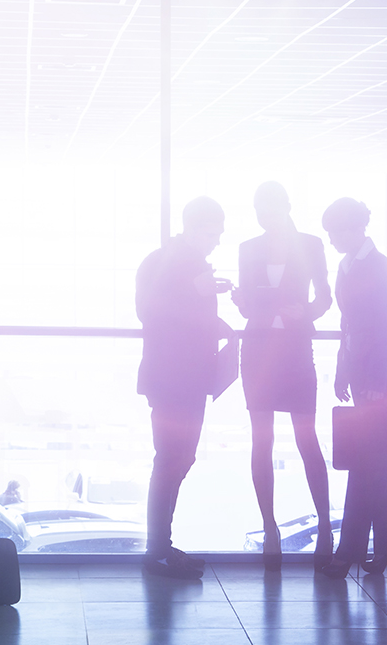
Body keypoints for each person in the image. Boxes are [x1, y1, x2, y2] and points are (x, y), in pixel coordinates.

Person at [232, 181, 333, 571]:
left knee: (308, 439)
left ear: (286, 208)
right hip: (256, 352)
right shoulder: (247, 249)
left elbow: (325, 297)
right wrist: (241, 301)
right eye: (259, 212)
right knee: (262, 443)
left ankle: (325, 526)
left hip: (294, 352)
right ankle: (269, 529)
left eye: (269, 211)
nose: (264, 219)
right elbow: (248, 308)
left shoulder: (310, 245)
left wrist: (305, 312)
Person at [136, 197, 232, 580]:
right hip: (173, 379)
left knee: (179, 458)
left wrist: (214, 315)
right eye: (211, 234)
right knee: (171, 460)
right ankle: (157, 550)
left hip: (186, 379)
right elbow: (150, 312)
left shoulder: (183, 265)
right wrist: (198, 290)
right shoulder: (163, 263)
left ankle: (161, 546)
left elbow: (184, 317)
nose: (216, 242)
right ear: (191, 230)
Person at [318, 198, 387, 578]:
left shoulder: (377, 266)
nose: (333, 239)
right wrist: (343, 371)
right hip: (361, 376)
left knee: (368, 466)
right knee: (380, 466)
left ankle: (349, 552)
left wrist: (373, 379)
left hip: (380, 377)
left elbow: (383, 326)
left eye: (337, 232)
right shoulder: (347, 266)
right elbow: (348, 324)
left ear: (356, 229)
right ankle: (384, 548)